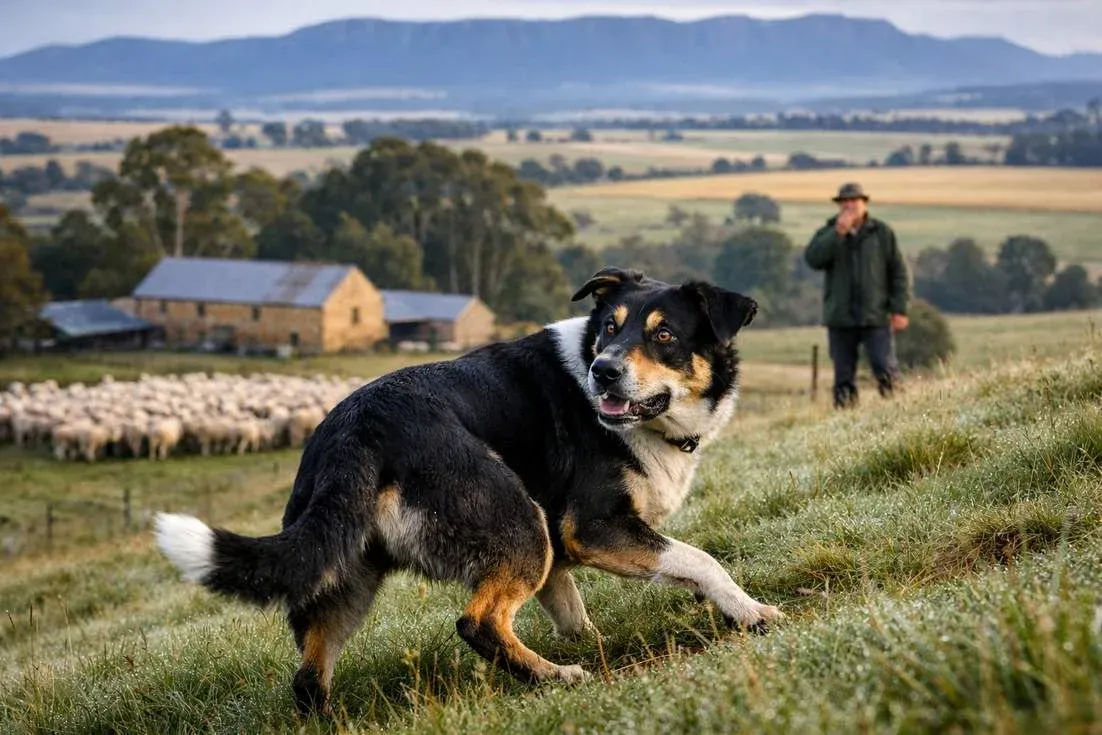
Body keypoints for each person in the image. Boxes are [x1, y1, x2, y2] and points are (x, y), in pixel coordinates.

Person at [804, 182, 911, 409]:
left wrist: (899, 308)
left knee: (885, 368)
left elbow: (898, 272)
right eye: (845, 202)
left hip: (876, 315)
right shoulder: (828, 231)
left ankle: (899, 410)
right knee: (843, 376)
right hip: (840, 317)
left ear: (864, 203)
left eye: (854, 201)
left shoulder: (881, 233)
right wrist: (838, 234)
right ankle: (845, 418)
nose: (849, 206)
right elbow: (813, 259)